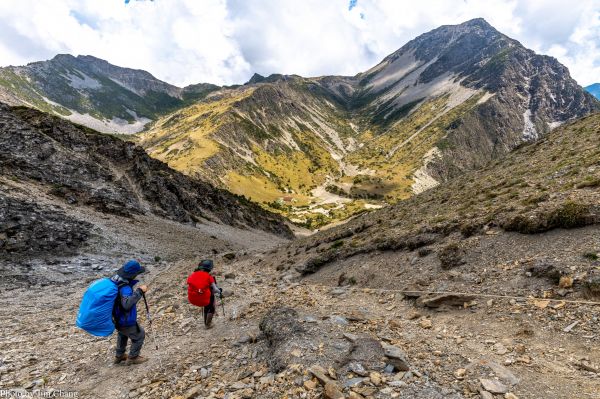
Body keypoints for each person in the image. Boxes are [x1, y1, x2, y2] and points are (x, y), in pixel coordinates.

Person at [111, 259, 149, 365]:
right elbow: (127, 305)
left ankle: (119, 355)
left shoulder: (117, 281)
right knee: (139, 335)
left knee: (122, 334)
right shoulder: (125, 288)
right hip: (126, 319)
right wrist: (140, 291)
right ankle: (133, 357)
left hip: (117, 318)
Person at [187, 259, 222, 328]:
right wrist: (220, 291)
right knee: (211, 308)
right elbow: (215, 289)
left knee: (206, 307)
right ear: (209, 269)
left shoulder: (193, 274)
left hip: (194, 297)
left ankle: (205, 323)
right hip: (205, 297)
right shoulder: (209, 277)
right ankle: (208, 324)